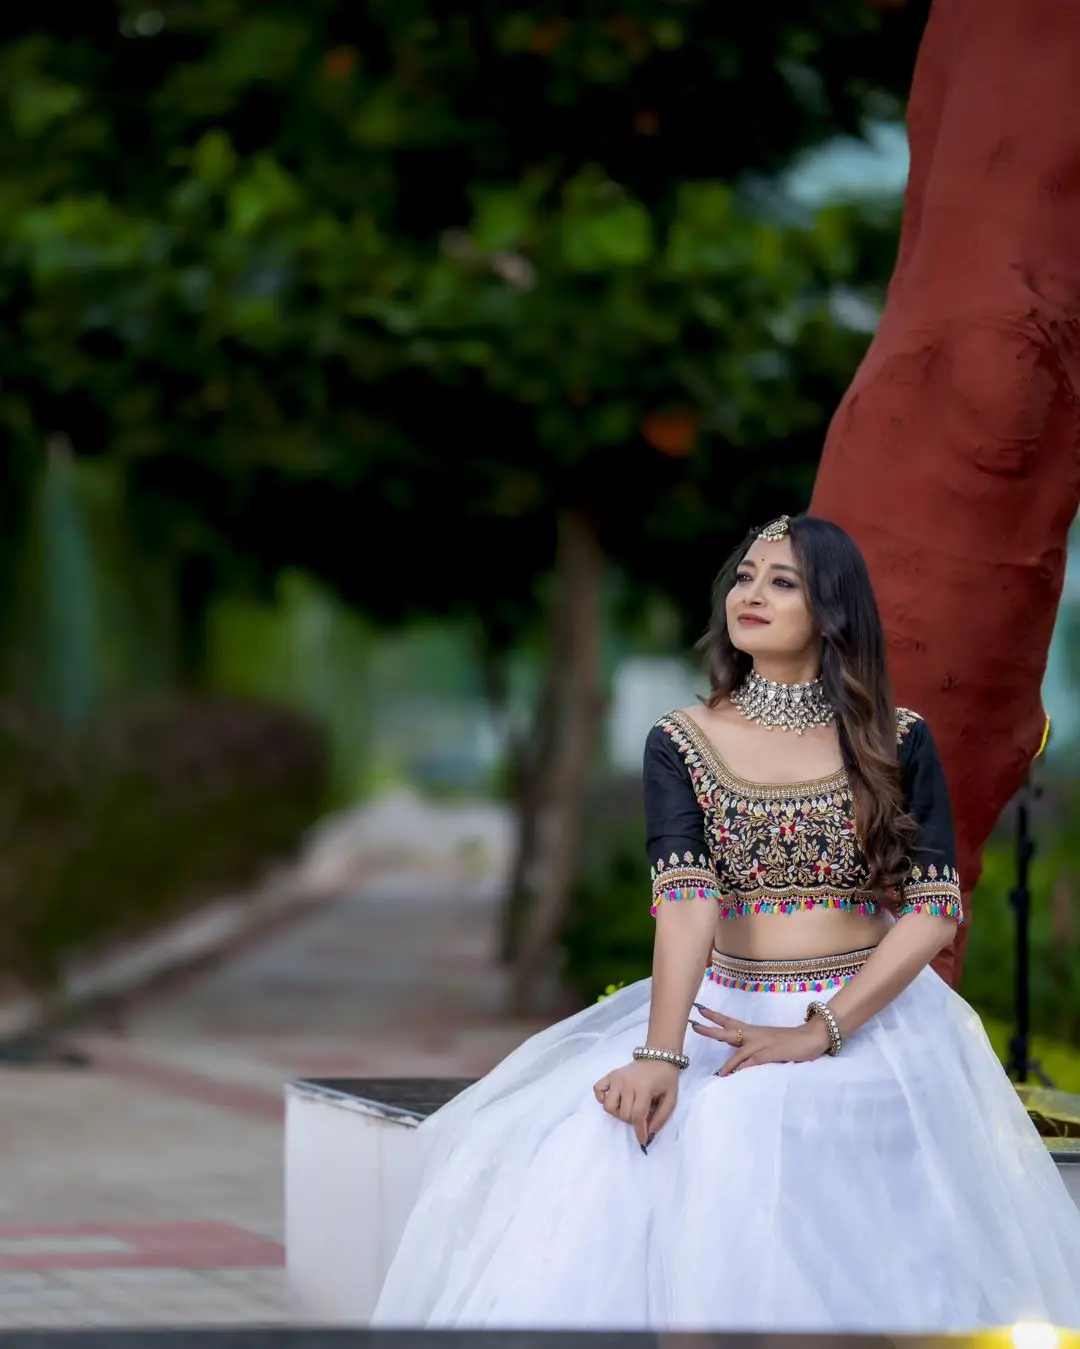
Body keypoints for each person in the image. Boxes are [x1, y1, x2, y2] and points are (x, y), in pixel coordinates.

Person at [371, 514, 1080, 1333]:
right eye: (745, 575)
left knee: (740, 1130)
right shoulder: (683, 740)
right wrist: (662, 1054)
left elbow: (933, 911)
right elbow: (686, 904)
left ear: (834, 610)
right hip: (718, 1013)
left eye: (783, 581)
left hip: (871, 1025)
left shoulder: (895, 738)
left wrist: (822, 1030)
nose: (751, 593)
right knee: (604, 1137)